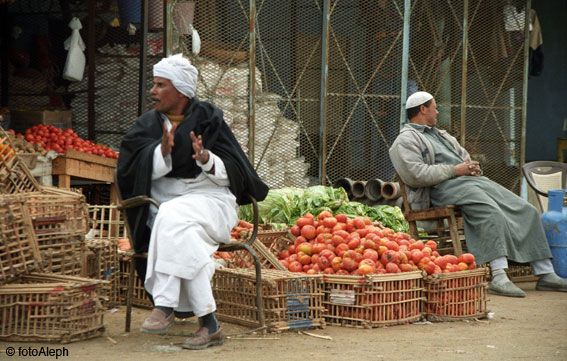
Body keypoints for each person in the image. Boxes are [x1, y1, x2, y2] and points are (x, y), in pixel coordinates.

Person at [116, 54, 268, 349]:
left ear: (181, 91)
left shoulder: (209, 119)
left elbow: (235, 171)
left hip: (211, 201)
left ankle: (165, 306)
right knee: (187, 239)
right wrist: (159, 153)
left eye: (160, 85)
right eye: (154, 84)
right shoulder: (146, 125)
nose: (153, 91)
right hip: (164, 207)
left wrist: (207, 159)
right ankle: (209, 326)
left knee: (172, 217)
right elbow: (128, 168)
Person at [389, 91, 567, 297]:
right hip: (440, 189)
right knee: (489, 211)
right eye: (435, 107)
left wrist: (471, 167)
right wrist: (455, 170)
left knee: (525, 208)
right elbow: (415, 175)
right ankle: (499, 276)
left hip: (472, 182)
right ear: (423, 109)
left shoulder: (443, 135)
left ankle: (545, 273)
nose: (437, 111)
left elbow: (464, 157)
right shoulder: (405, 140)